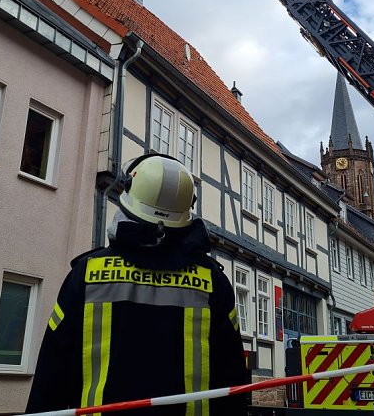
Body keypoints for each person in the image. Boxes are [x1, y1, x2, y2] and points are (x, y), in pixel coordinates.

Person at [26, 153, 250, 415]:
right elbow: (232, 379)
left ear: (129, 198)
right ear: (187, 209)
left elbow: (51, 375)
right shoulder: (212, 282)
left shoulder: (88, 273)